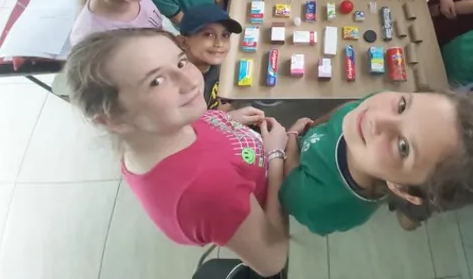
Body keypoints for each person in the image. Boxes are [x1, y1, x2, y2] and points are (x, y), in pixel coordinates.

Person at [65, 29, 306, 277]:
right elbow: (272, 260)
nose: (190, 81)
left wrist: (225, 119)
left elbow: (194, 130)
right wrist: (277, 156)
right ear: (113, 119)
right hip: (271, 187)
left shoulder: (157, 128)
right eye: (156, 81)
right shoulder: (207, 191)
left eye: (181, 62)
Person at [279, 90, 473, 235]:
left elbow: (286, 182)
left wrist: (289, 139)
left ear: (403, 188)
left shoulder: (322, 205)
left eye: (403, 147)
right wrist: (312, 126)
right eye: (402, 106)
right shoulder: (367, 114)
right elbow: (350, 107)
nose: (375, 118)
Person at [176, 3, 242, 111]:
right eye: (208, 35)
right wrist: (227, 117)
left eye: (225, 35)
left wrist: (219, 108)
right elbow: (187, 126)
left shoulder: (211, 64)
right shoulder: (183, 87)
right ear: (183, 42)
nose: (219, 43)